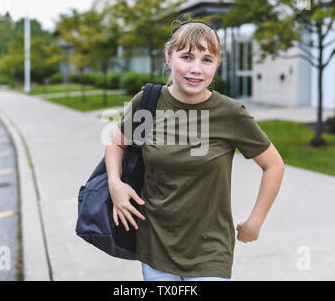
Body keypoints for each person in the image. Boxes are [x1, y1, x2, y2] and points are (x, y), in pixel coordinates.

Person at [104, 20, 285, 281]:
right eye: (186, 57)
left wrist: (256, 220)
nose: (196, 69)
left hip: (210, 252)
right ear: (169, 58)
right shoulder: (148, 102)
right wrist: (115, 184)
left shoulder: (231, 114)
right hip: (156, 246)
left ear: (217, 63)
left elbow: (274, 165)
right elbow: (116, 143)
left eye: (207, 60)